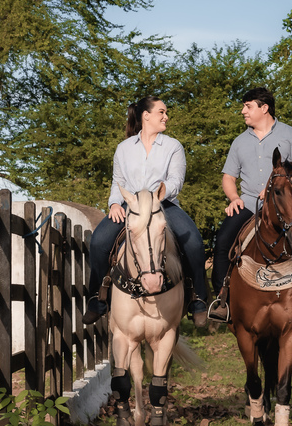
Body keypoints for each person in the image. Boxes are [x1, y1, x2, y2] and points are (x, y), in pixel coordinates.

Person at [81, 96, 209, 326]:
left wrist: (155, 197)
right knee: (99, 242)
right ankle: (97, 300)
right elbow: (117, 181)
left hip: (163, 203)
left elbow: (176, 181)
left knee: (194, 244)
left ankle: (197, 298)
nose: (166, 116)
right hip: (130, 206)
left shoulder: (173, 146)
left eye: (165, 112)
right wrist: (113, 204)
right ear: (146, 115)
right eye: (162, 112)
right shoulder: (123, 148)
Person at [207, 87, 292, 323]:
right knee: (222, 243)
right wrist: (234, 198)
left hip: (285, 206)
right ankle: (222, 300)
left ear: (264, 107)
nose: (243, 111)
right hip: (249, 204)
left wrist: (276, 186)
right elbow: (228, 177)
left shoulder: (291, 135)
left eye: (248, 106)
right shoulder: (239, 142)